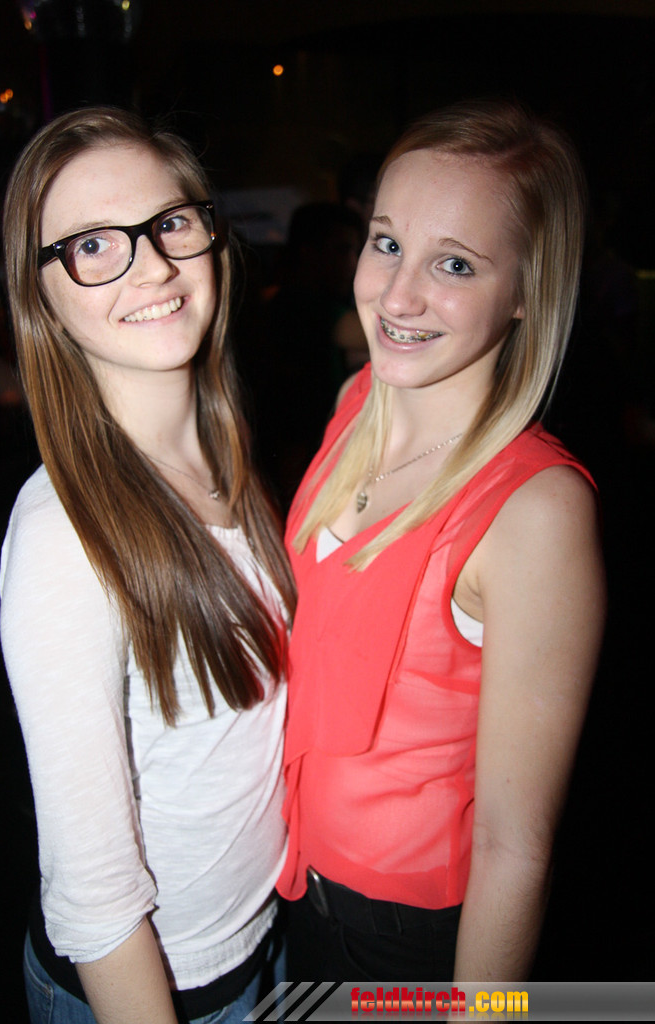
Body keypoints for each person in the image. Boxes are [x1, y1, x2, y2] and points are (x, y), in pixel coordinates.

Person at [277, 99, 606, 982]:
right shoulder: (356, 405)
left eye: (453, 263)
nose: (397, 295)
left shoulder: (532, 510)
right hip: (289, 896)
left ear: (528, 290)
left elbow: (514, 847)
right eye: (386, 242)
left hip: (404, 948)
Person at [0, 107, 295, 1024]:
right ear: (41, 297)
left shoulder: (228, 457)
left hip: (264, 944)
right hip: (158, 993)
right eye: (92, 244)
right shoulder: (64, 536)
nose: (153, 266)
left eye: (169, 223)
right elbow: (94, 902)